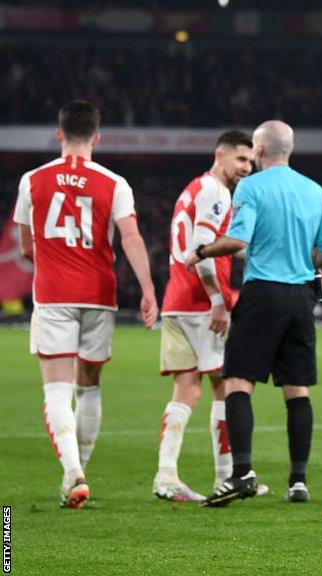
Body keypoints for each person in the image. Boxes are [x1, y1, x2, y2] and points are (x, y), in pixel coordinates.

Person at [185, 120, 322, 506]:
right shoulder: (315, 190)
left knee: (238, 381)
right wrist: (305, 263)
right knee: (296, 389)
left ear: (258, 149)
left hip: (262, 292)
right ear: (288, 149)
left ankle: (242, 473)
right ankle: (298, 481)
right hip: (301, 297)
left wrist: (202, 251)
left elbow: (238, 240)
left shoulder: (252, 187)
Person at [13, 100, 158, 508]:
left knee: (57, 389)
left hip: (55, 293)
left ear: (59, 134)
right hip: (99, 294)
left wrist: (56, 263)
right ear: (97, 136)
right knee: (89, 385)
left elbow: (27, 246)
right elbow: (130, 237)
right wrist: (147, 289)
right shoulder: (115, 182)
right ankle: (81, 468)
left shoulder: (32, 180)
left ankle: (72, 472)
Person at [153, 130, 258, 502]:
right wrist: (217, 299)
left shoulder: (192, 188)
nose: (247, 167)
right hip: (200, 303)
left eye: (251, 161)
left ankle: (166, 476)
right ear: (221, 155)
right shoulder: (216, 191)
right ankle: (226, 476)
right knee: (225, 386)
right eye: (241, 160)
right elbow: (202, 248)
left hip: (176, 299)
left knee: (186, 387)